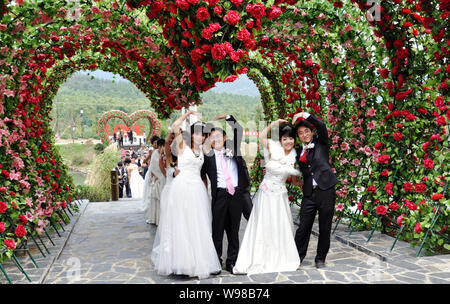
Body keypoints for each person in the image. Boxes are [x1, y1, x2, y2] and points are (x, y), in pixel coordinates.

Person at [151, 110, 221, 279]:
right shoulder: (182, 146)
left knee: (199, 224)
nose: (200, 137)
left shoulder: (203, 149)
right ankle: (181, 263)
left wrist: (214, 119)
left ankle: (202, 262)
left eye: (202, 135)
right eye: (197, 134)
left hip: (197, 188)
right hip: (182, 188)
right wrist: (188, 113)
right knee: (182, 224)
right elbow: (175, 126)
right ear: (191, 135)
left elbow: (213, 135)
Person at [233, 120, 300, 275]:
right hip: (267, 194)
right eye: (285, 139)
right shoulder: (273, 149)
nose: (288, 141)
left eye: (291, 138)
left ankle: (281, 256)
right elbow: (262, 135)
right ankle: (260, 257)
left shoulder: (294, 156)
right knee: (264, 224)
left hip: (281, 195)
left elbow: (295, 180)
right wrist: (274, 123)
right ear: (280, 140)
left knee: (280, 225)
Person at [200, 114, 253, 274]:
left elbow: (239, 129)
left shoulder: (233, 148)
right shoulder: (207, 157)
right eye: (211, 137)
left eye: (218, 136)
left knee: (233, 231)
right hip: (220, 195)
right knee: (217, 230)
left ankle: (232, 262)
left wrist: (228, 117)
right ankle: (216, 262)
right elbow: (200, 173)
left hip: (236, 194)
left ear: (224, 138)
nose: (215, 139)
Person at [292, 111, 338, 269]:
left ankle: (320, 259)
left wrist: (304, 114)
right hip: (309, 194)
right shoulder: (299, 151)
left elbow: (322, 125)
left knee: (325, 227)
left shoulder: (321, 142)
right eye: (300, 133)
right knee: (303, 227)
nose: (304, 135)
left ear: (312, 132)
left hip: (326, 190)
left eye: (307, 131)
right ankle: (296, 257)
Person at [145, 138, 166, 225]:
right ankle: (156, 218)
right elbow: (153, 166)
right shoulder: (155, 153)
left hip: (163, 177)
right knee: (157, 199)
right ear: (161, 146)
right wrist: (158, 175)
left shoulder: (165, 153)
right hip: (159, 178)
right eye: (164, 146)